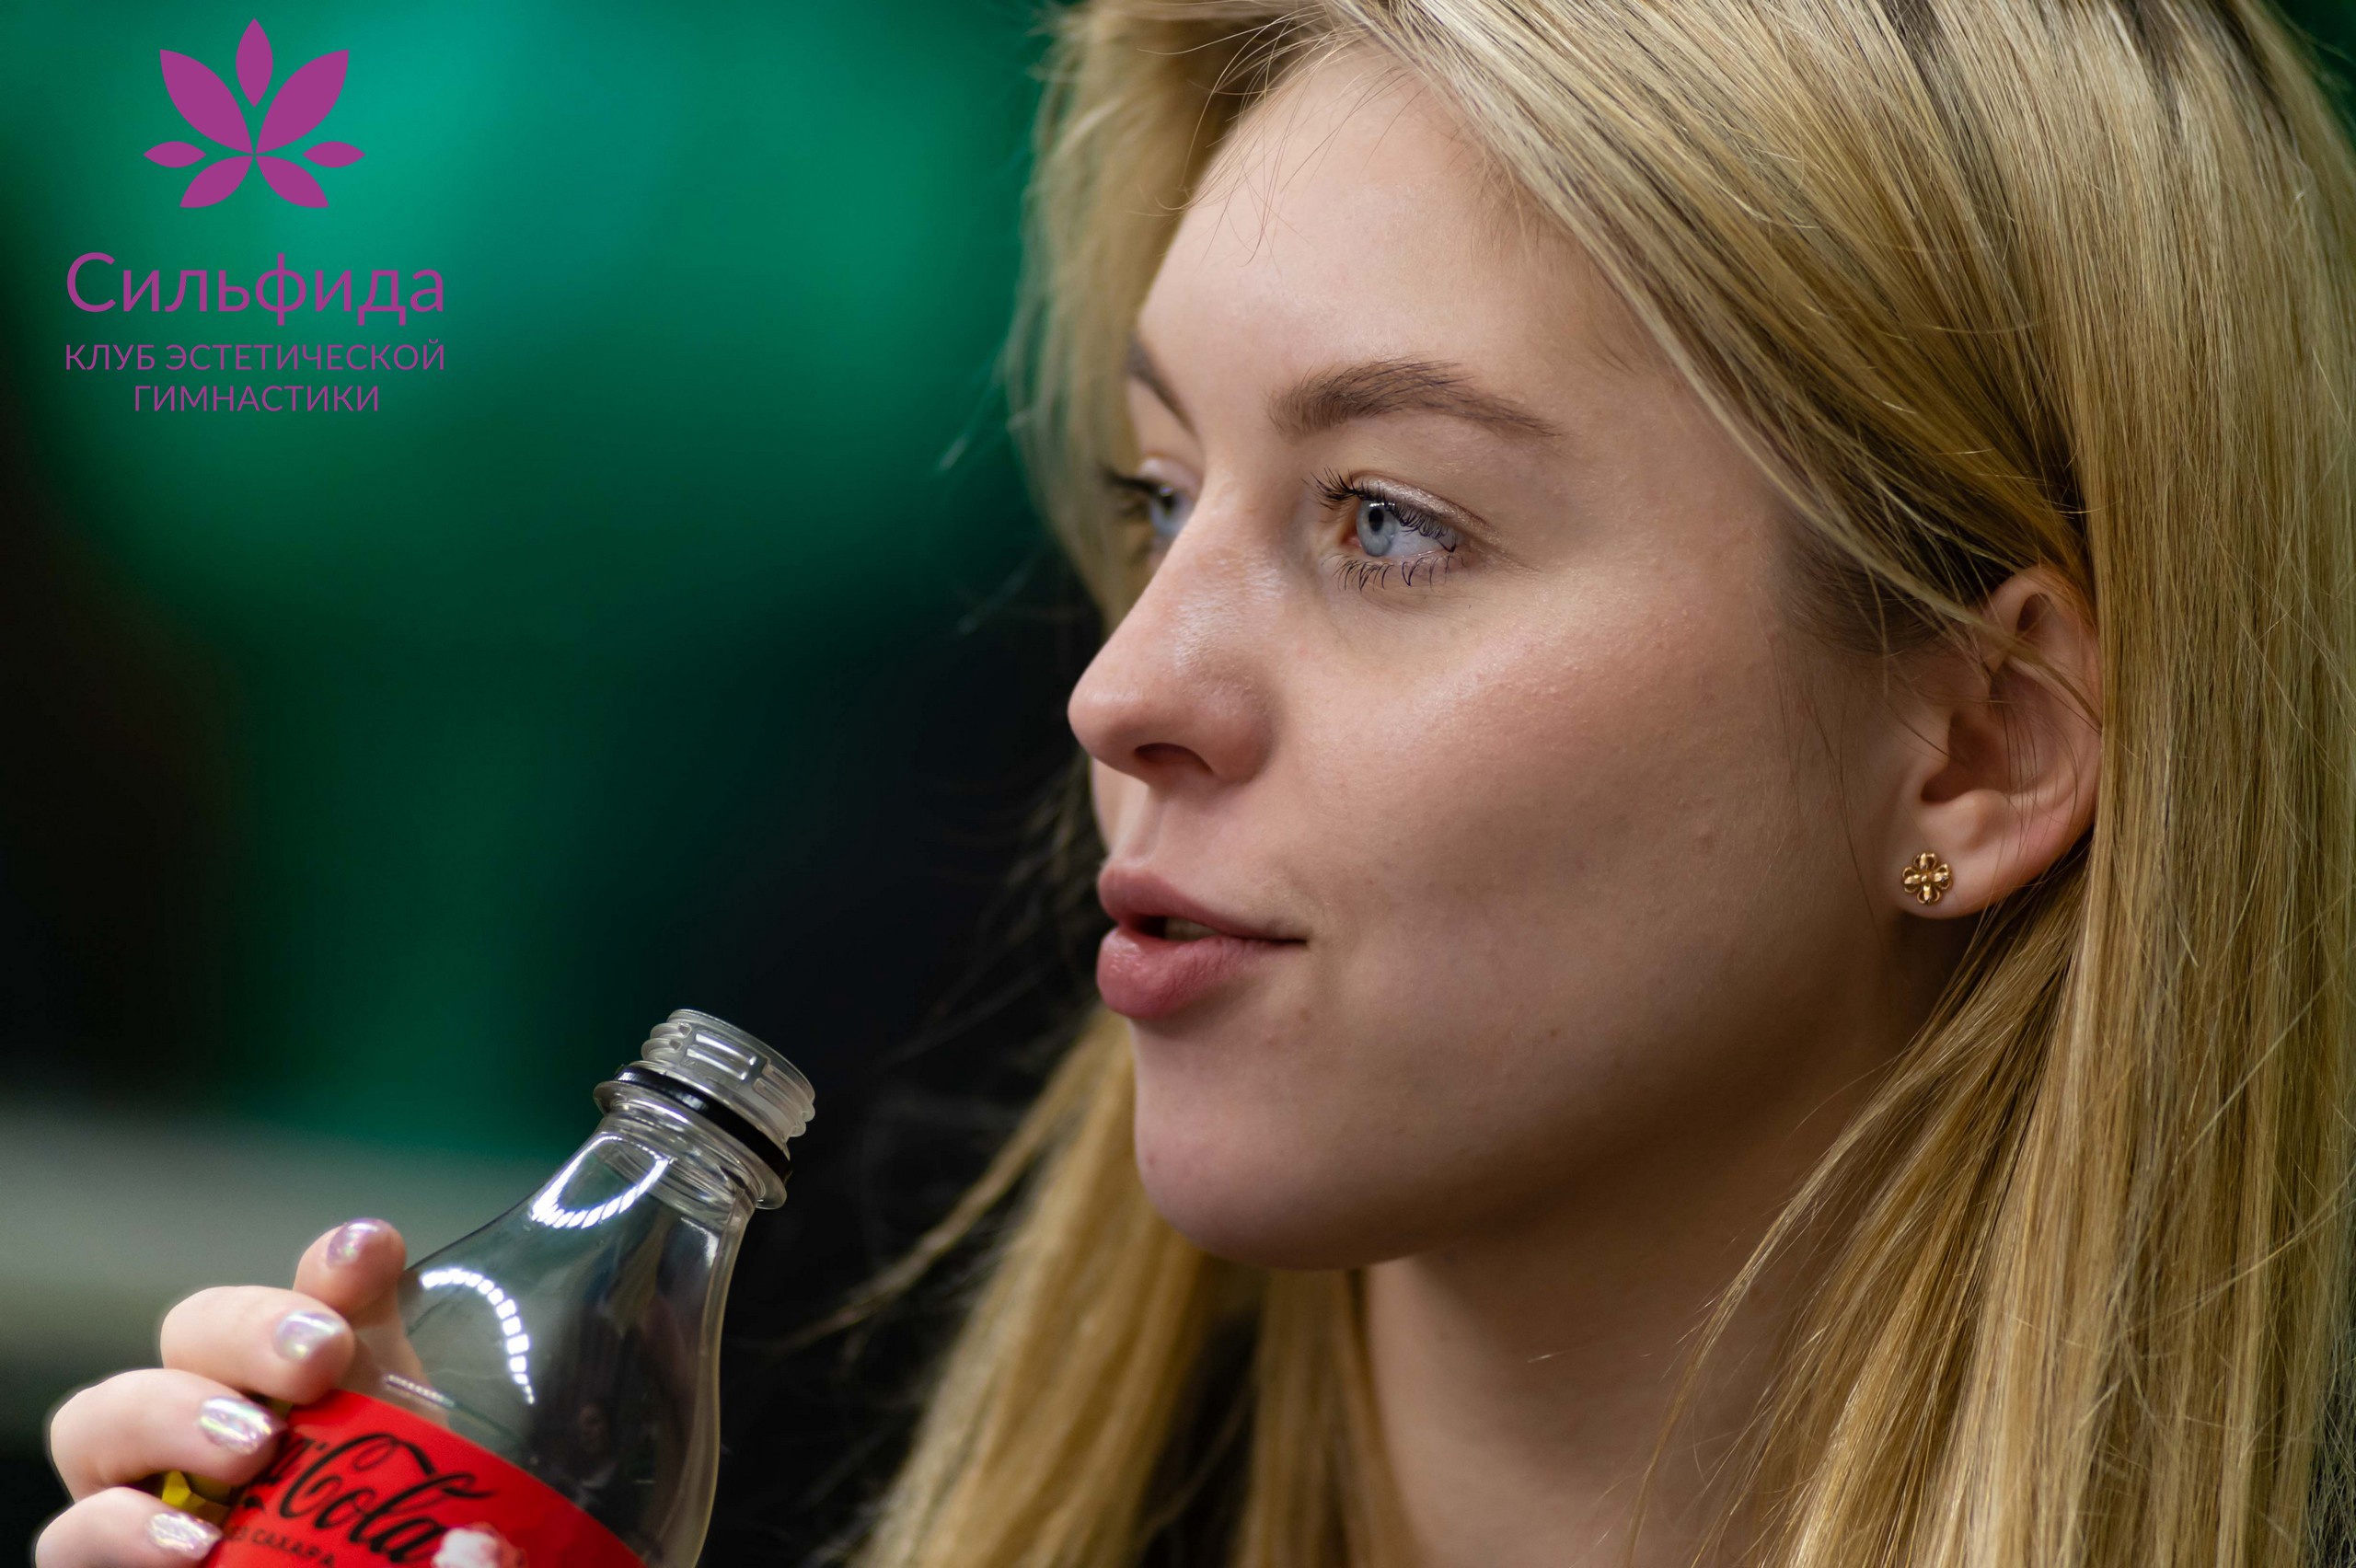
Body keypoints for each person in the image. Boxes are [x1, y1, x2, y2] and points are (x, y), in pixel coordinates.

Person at [40, 1, 2356, 1564]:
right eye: (1157, 501)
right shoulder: (813, 1412)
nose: (1119, 691)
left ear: (1974, 744)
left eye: (1388, 524)